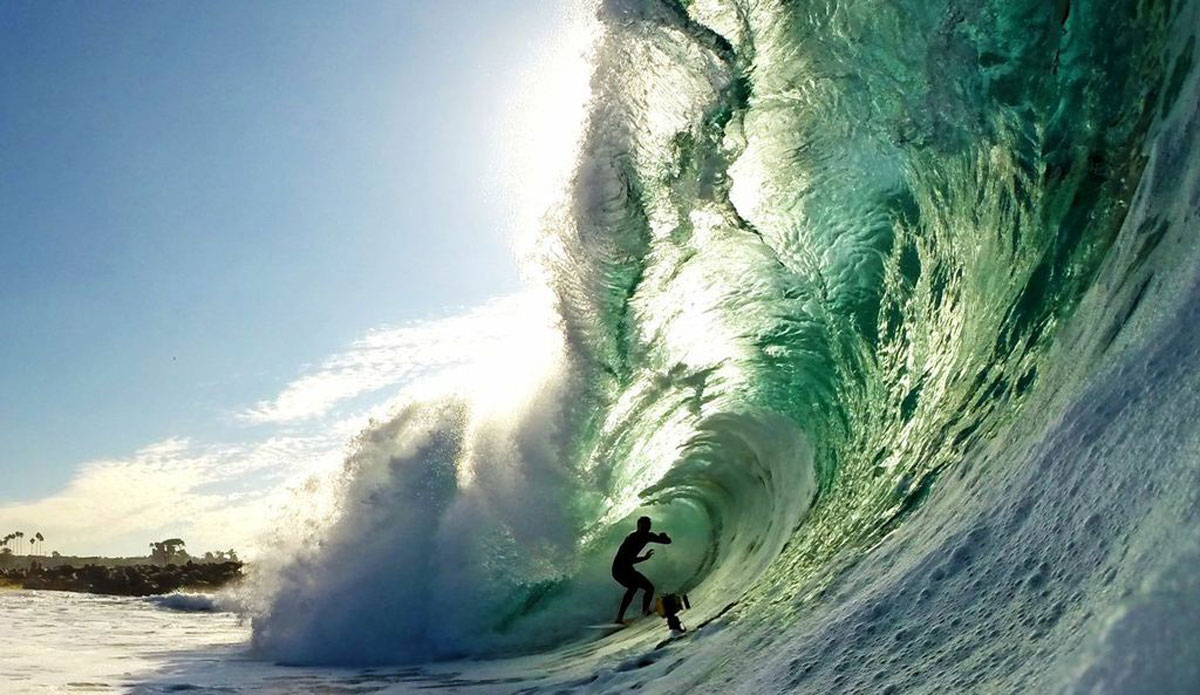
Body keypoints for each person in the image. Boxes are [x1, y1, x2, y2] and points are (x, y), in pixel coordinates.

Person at [612, 516, 671, 624]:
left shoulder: (648, 536)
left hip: (628, 568)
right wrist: (644, 558)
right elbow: (627, 560)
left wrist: (664, 537)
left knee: (649, 588)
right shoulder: (631, 538)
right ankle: (619, 618)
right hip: (618, 569)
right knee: (633, 587)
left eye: (648, 526)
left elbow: (667, 542)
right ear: (638, 526)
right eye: (643, 527)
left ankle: (644, 612)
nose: (646, 529)